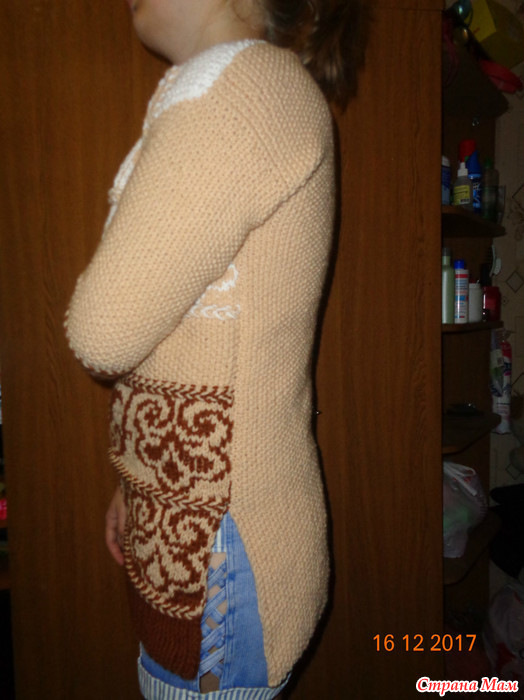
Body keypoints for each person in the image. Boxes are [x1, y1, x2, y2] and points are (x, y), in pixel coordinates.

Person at [65, 0, 368, 697]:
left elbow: (102, 331)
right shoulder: (219, 90)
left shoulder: (243, 92)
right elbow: (190, 336)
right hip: (196, 520)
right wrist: (138, 480)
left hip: (222, 538)